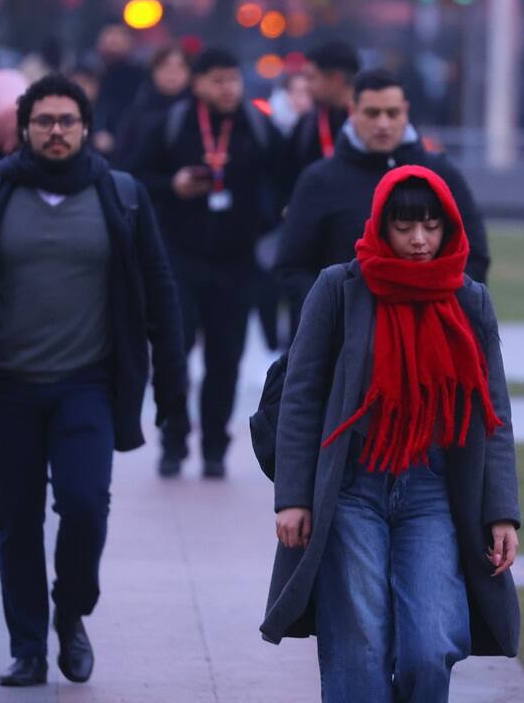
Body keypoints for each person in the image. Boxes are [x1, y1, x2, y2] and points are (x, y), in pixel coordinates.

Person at [0, 73, 188, 687]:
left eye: (67, 121)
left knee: (86, 506)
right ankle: (29, 646)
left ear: (85, 128)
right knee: (17, 519)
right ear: (23, 128)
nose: (56, 131)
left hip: (86, 385)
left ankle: (71, 612)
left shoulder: (121, 196)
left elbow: (160, 294)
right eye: (44, 121)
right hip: (7, 386)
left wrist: (172, 388)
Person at [262, 166, 521, 703]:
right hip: (354, 488)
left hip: (432, 491)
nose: (420, 240)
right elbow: (303, 396)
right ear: (381, 225)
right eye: (405, 227)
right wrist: (292, 497)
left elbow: (493, 412)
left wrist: (501, 511)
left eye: (431, 225)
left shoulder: (468, 300)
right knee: (358, 648)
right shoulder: (340, 288)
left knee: (430, 648)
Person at [133, 46, 285, 479]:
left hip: (238, 261)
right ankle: (173, 441)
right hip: (178, 257)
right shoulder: (173, 124)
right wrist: (173, 185)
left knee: (226, 357)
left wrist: (268, 220)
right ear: (197, 83)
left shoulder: (257, 127)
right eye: (218, 80)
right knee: (174, 353)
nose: (228, 88)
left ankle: (215, 446)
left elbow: (287, 176)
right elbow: (135, 175)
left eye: (233, 79)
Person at [274, 68, 490, 342]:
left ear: (406, 111)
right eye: (372, 113)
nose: (383, 124)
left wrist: (437, 306)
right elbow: (291, 266)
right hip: (342, 341)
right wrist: (334, 312)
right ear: (353, 110)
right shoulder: (320, 179)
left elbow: (475, 256)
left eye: (392, 113)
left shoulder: (441, 173)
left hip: (429, 336)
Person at [286, 40, 360, 196]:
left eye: (311, 77)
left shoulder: (372, 122)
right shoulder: (307, 124)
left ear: (336, 79)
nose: (306, 86)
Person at [114, 44, 191, 170]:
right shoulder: (135, 114)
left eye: (180, 67)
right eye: (164, 66)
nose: (172, 73)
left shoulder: (197, 114)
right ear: (153, 71)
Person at [91, 24, 145, 158]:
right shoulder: (88, 72)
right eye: (110, 36)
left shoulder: (139, 76)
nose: (114, 41)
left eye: (119, 37)